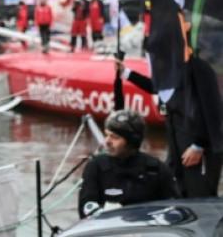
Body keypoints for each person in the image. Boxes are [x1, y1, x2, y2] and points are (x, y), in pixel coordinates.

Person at [116, 56, 223, 197]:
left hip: (198, 148)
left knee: (199, 194)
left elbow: (213, 107)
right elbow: (158, 88)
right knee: (175, 190)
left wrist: (199, 144)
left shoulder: (197, 70)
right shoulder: (169, 72)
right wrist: (126, 73)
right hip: (176, 146)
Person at [78, 110, 178, 218]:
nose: (107, 141)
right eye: (106, 135)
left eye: (114, 137)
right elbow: (85, 211)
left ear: (132, 141)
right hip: (108, 231)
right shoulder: (96, 167)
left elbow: (174, 210)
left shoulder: (156, 169)